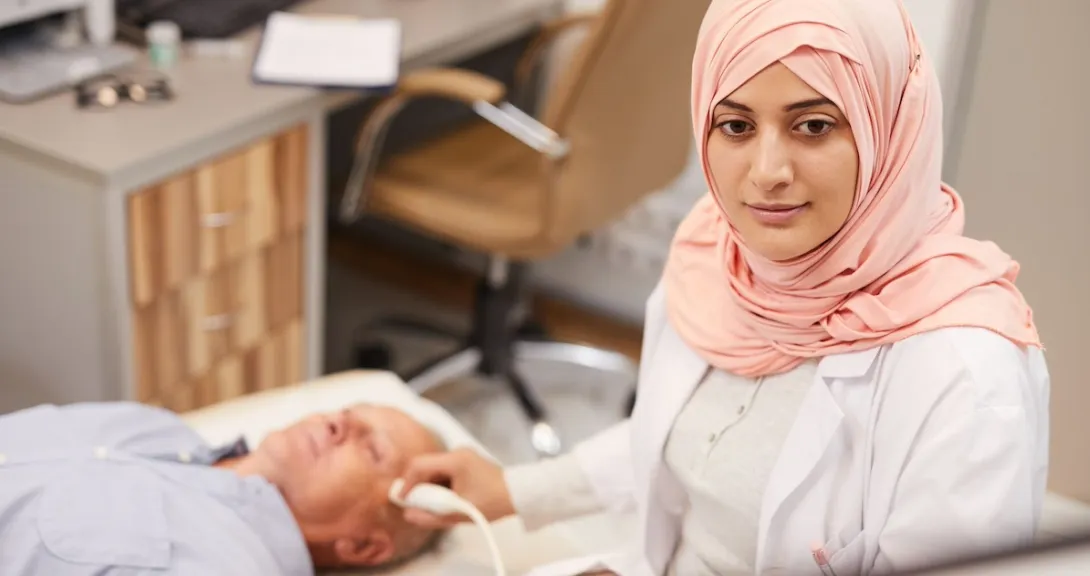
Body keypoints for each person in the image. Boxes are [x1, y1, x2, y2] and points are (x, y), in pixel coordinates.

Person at [395, 0, 1051, 575]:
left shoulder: (965, 376)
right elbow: (684, 436)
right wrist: (515, 491)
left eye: (814, 125)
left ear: (889, 129)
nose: (766, 173)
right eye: (736, 125)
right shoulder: (719, 256)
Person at [0, 400, 445, 575]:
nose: (336, 423)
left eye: (372, 450)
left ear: (363, 546)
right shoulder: (154, 426)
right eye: (347, 415)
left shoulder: (229, 566)